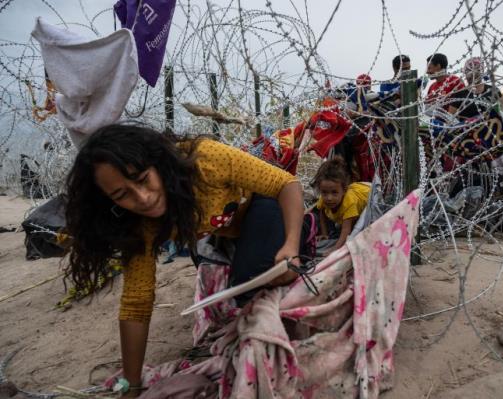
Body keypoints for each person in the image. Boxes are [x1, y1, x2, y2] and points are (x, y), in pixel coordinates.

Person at [64, 124, 307, 396]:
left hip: (264, 205)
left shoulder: (205, 159)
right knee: (233, 288)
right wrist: (132, 385)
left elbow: (286, 183)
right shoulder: (137, 225)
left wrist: (291, 245)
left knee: (251, 280)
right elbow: (136, 303)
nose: (142, 198)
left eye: (143, 179)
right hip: (220, 235)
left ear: (158, 163)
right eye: (122, 195)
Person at [313, 157, 370, 254]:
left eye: (334, 193)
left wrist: (334, 250)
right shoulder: (323, 199)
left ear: (344, 190)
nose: (329, 198)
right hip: (357, 196)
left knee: (358, 230)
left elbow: (346, 231)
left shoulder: (349, 202)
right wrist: (324, 233)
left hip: (370, 194)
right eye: (324, 193)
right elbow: (321, 213)